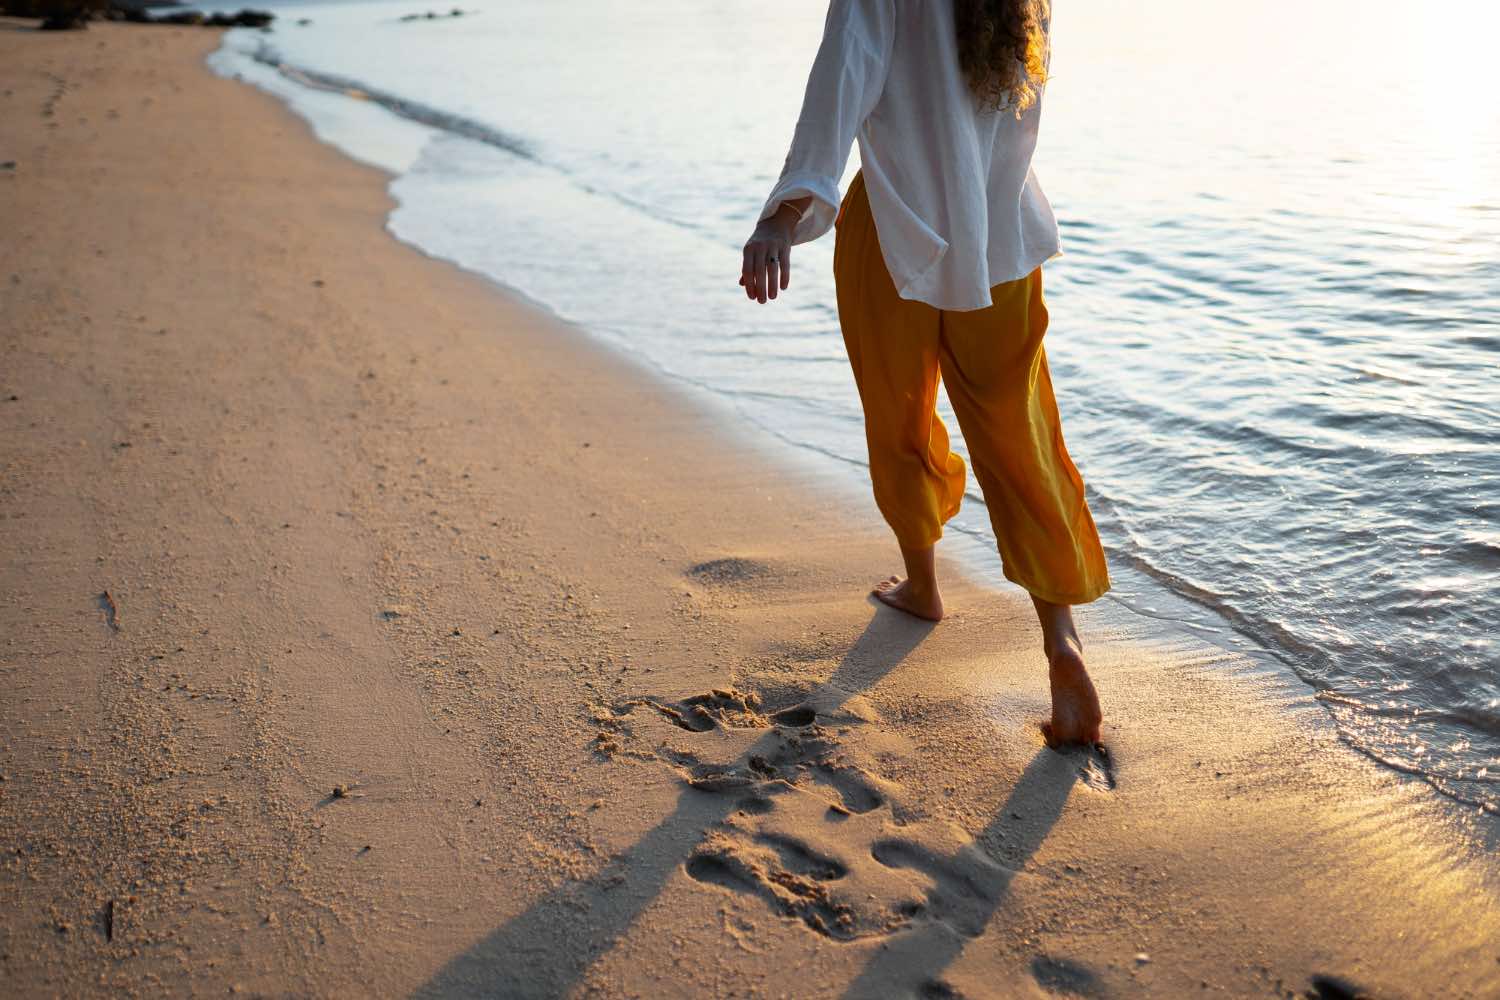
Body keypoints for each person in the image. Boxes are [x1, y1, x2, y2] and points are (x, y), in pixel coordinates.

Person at [739, 0, 1110, 747]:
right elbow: (1009, 113)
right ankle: (1060, 638)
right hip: (1000, 234)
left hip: (893, 228)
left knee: (899, 409)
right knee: (1019, 433)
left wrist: (784, 214)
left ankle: (925, 586)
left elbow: (840, 84)